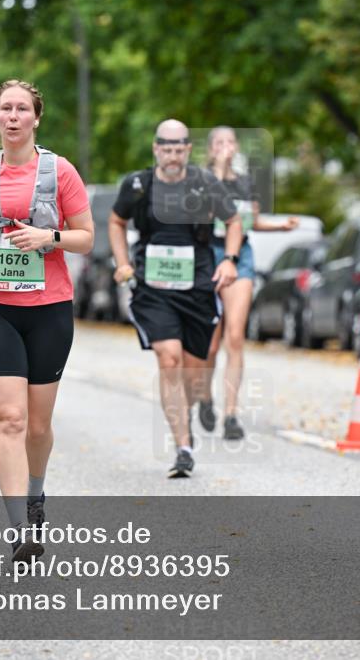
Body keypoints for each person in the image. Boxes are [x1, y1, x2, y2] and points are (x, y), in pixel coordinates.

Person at [0, 79, 93, 561]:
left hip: (49, 308)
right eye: (5, 108)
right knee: (9, 418)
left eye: (21, 109)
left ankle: (35, 492)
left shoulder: (60, 171)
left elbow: (86, 237)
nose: (12, 116)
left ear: (36, 118)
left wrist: (49, 236)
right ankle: (20, 531)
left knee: (36, 426)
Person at [108, 119, 241, 478]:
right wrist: (122, 263)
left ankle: (189, 411)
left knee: (194, 369)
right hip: (153, 288)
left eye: (177, 148)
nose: (170, 154)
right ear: (156, 150)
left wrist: (229, 261)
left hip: (197, 286)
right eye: (164, 148)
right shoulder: (138, 185)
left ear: (186, 150)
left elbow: (234, 221)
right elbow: (116, 222)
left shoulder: (205, 183)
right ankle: (183, 446)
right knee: (168, 359)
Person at [197, 126, 299, 440]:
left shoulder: (245, 183)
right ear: (211, 149)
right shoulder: (200, 181)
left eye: (231, 142)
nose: (226, 147)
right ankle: (204, 397)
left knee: (236, 337)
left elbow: (252, 221)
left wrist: (282, 226)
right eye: (220, 143)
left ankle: (231, 415)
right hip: (210, 257)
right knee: (210, 344)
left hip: (241, 257)